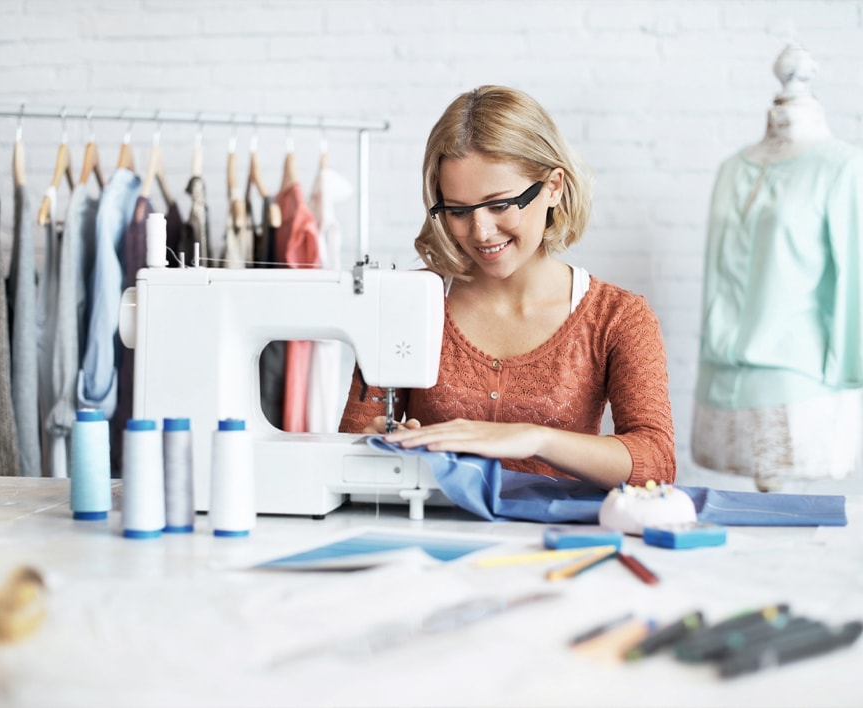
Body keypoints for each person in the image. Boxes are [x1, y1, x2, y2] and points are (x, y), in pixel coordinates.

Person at [339, 85, 676, 490]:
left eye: (499, 205)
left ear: (553, 187)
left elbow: (656, 461)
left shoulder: (618, 318)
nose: (480, 232)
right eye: (458, 211)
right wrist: (374, 440)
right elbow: (348, 447)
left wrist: (534, 439)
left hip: (555, 544)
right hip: (434, 535)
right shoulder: (405, 304)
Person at [691, 45, 863, 491]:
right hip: (720, 379)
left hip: (798, 385)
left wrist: (850, 376)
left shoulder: (842, 167)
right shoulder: (731, 168)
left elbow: (853, 282)